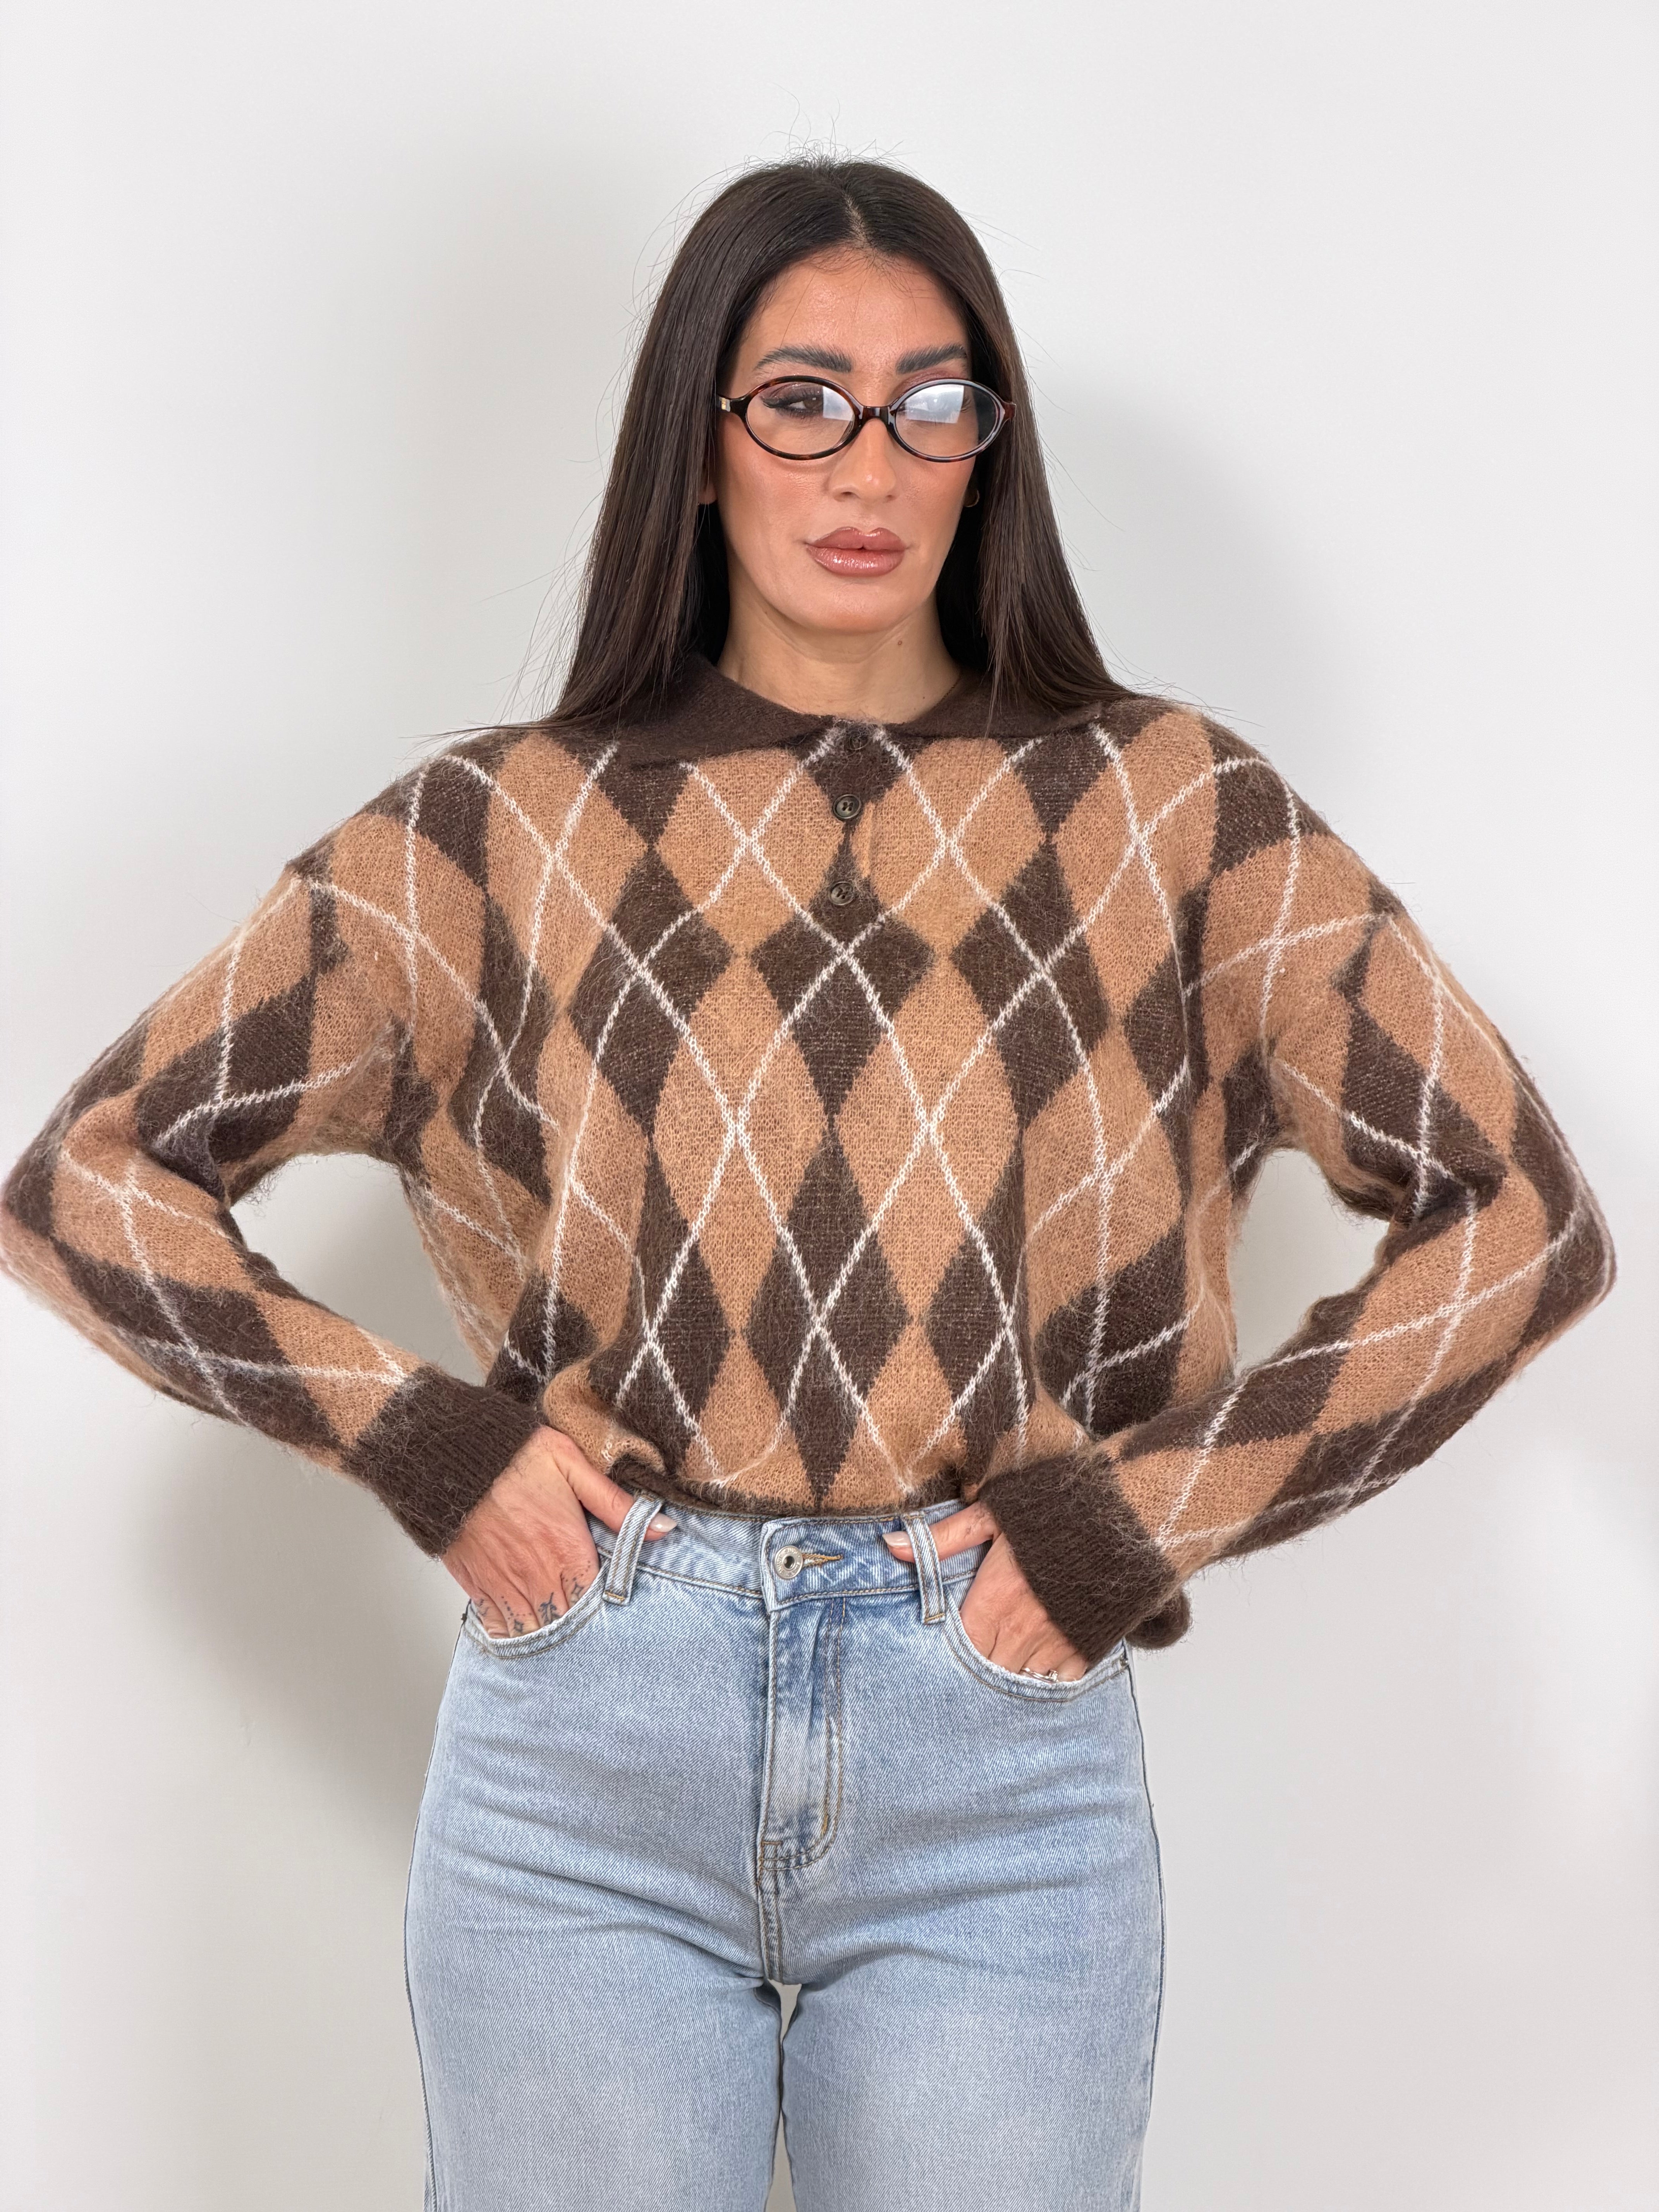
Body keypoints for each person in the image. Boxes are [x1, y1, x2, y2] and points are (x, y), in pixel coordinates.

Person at [0, 155, 1616, 2210]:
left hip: (997, 1768)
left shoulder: (1170, 819)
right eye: (802, 401)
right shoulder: (499, 835)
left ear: (988, 446)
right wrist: (429, 1447)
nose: (872, 463)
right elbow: (89, 1183)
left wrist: (1138, 1520)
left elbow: (1520, 1215)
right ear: (697, 440)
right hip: (586, 1750)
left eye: (934, 402)